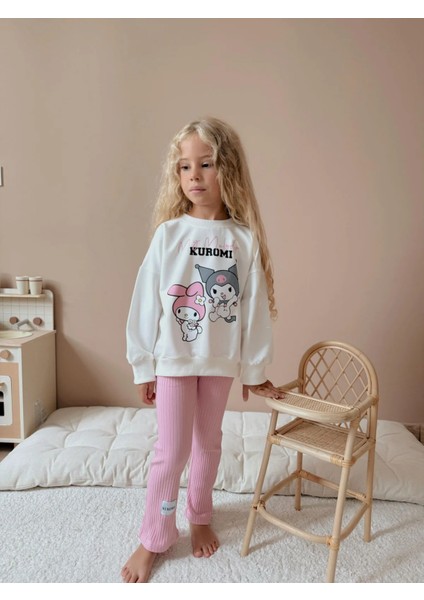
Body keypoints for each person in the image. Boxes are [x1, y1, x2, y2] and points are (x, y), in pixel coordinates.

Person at [121, 117, 281, 583]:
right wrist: (143, 365)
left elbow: (253, 310)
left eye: (206, 164)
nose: (194, 175)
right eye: (184, 166)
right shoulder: (169, 234)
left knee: (208, 444)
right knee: (171, 451)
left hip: (219, 362)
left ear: (226, 169)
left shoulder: (243, 239)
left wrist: (253, 370)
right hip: (173, 361)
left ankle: (201, 514)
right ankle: (155, 534)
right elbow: (145, 302)